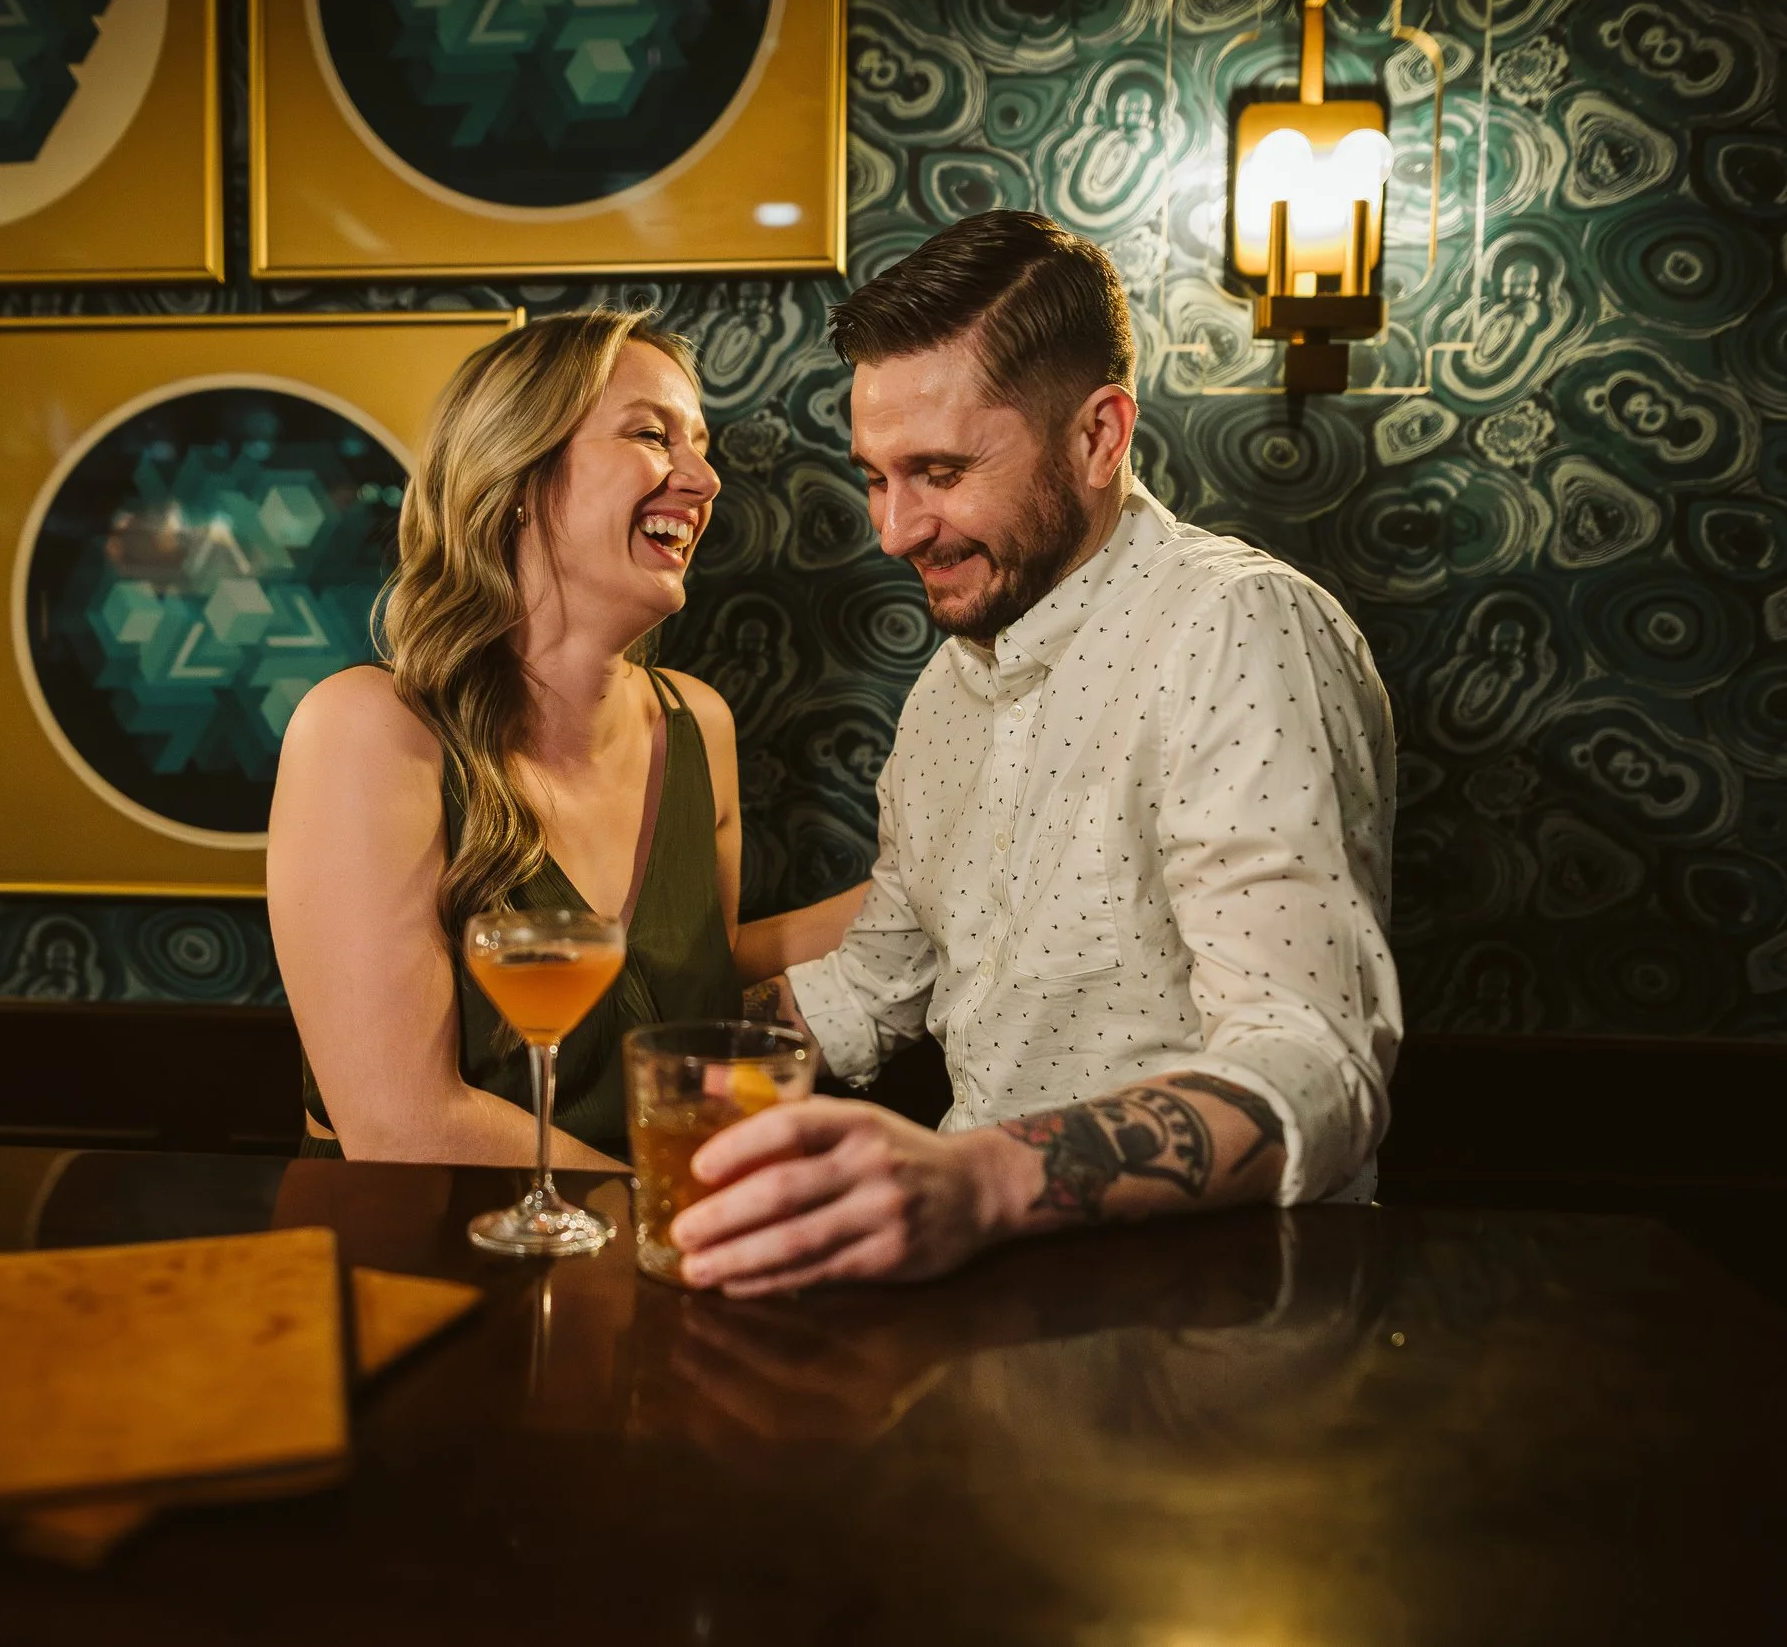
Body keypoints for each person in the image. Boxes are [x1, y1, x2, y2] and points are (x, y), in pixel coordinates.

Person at [670, 211, 1402, 1294]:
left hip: (1221, 1313)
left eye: (939, 469)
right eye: (876, 476)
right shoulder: (945, 694)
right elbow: (877, 980)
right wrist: (614, 1044)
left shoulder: (1238, 627)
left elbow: (1313, 1066)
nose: (895, 529)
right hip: (995, 1296)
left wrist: (976, 1182)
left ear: (1099, 437)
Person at [267, 311, 858, 1167]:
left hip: (646, 1270)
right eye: (654, 435)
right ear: (516, 473)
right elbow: (403, 1126)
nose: (704, 479)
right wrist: (679, 1221)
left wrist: (937, 896)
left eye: (703, 445)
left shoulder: (698, 725)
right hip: (425, 1268)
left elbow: (688, 964)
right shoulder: (367, 729)